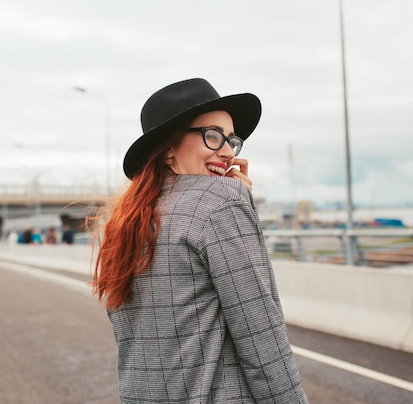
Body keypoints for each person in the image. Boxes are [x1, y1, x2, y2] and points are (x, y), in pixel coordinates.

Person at [90, 78, 308, 403]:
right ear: (167, 149)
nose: (226, 151)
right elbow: (262, 339)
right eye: (212, 135)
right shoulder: (221, 201)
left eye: (231, 140)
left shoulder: (125, 225)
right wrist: (237, 200)